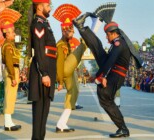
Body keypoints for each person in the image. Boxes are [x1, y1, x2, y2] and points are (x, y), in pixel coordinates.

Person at [73, 13, 143, 138]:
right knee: (98, 48)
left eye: (107, 35)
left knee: (105, 98)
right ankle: (82, 28)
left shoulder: (119, 44)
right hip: (113, 72)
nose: (106, 38)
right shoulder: (117, 42)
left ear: (112, 33)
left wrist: (102, 76)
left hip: (116, 75)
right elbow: (109, 60)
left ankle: (123, 129)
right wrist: (100, 75)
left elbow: (111, 61)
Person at [52, 3, 86, 133]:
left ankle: (61, 123)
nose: (71, 32)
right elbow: (59, 63)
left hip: (69, 70)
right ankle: (87, 37)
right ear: (63, 31)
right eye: (69, 30)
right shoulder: (60, 45)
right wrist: (59, 82)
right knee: (81, 48)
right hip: (65, 70)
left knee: (74, 92)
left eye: (72, 30)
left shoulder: (67, 43)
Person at [28, 0, 56, 139]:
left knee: (44, 113)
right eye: (47, 5)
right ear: (39, 6)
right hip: (41, 73)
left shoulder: (45, 23)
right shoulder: (38, 24)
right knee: (39, 113)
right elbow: (39, 49)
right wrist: (44, 73)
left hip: (47, 71)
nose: (50, 8)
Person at [0, 8, 21, 131]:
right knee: (9, 96)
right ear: (7, 33)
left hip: (14, 71)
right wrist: (13, 76)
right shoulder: (7, 46)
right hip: (11, 71)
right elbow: (9, 62)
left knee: (12, 96)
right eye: (12, 32)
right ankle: (7, 123)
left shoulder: (10, 45)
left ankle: (9, 121)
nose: (14, 34)